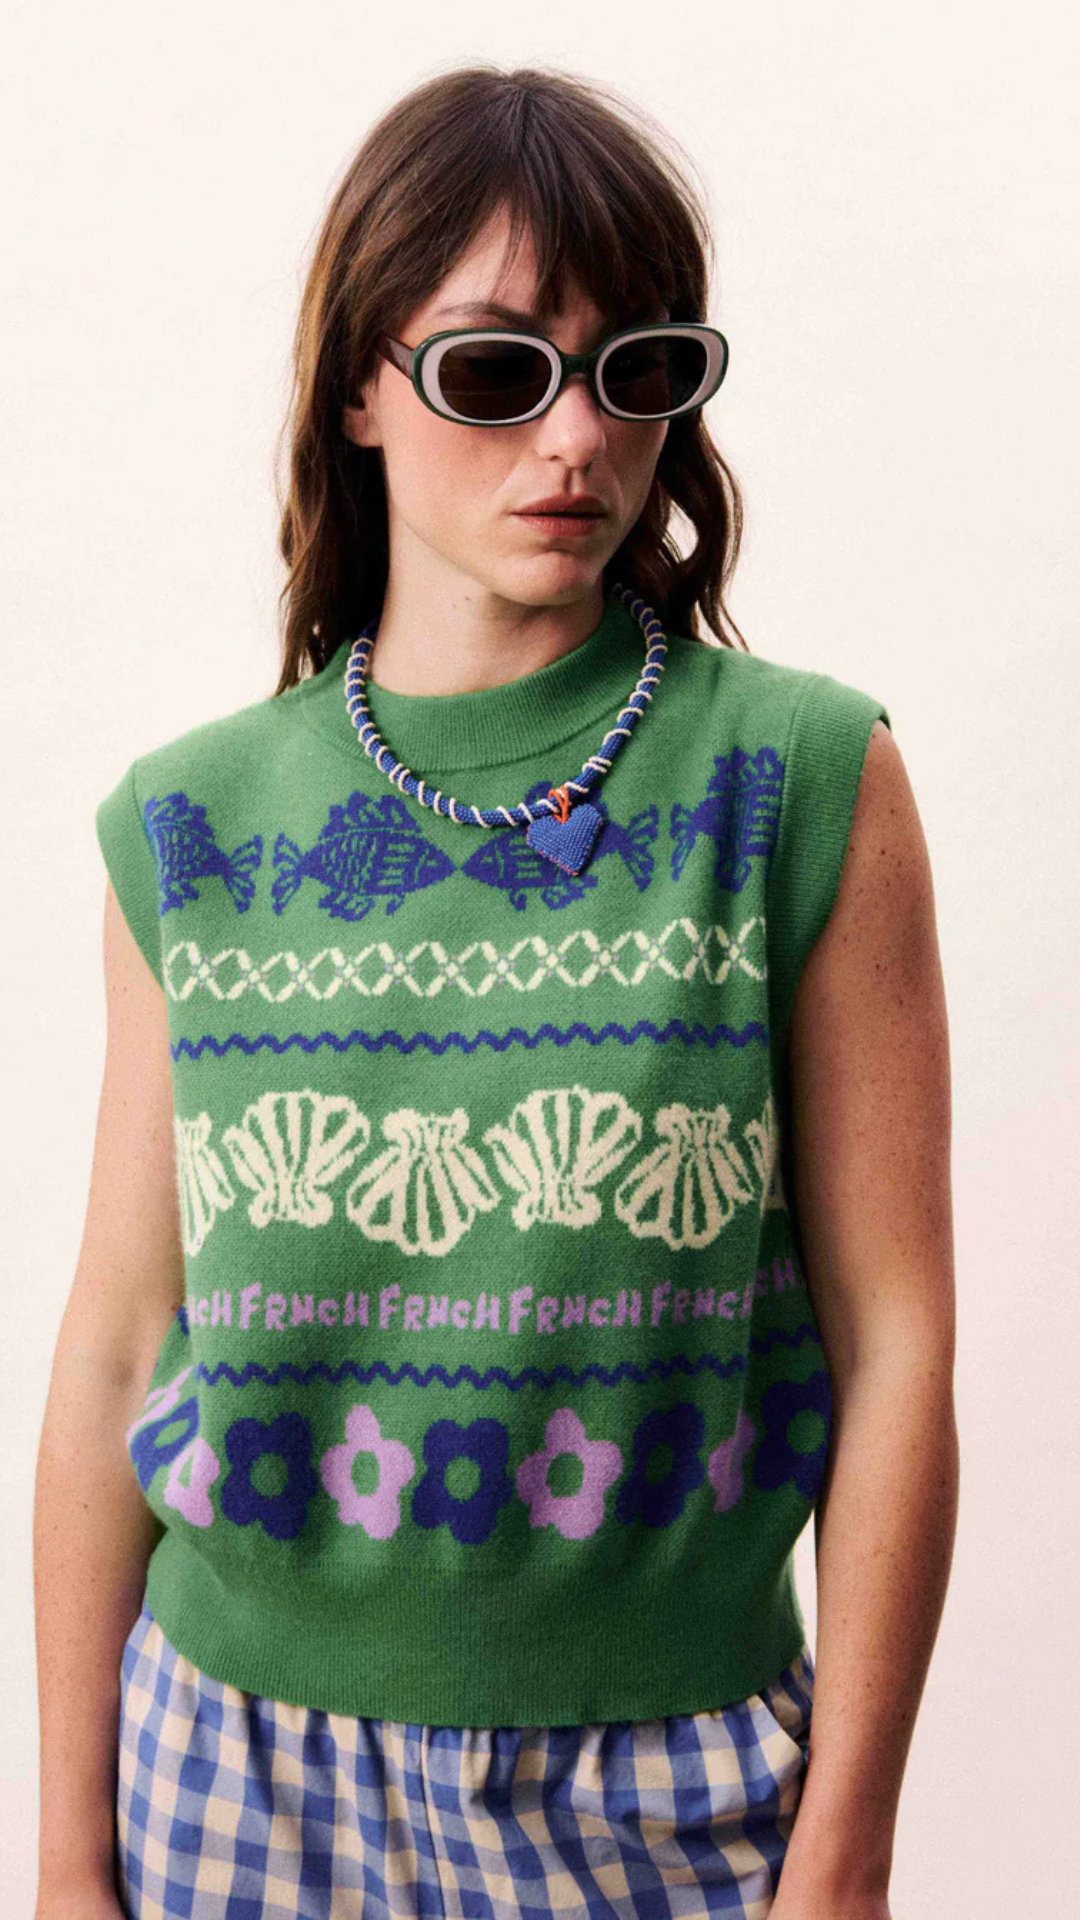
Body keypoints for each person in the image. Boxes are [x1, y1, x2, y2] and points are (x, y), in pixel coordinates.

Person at [34, 63, 957, 1920]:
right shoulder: (190, 826)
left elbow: (898, 1345)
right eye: (495, 371)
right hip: (226, 1778)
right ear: (359, 389)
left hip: (673, 1789)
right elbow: (124, 1350)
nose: (576, 440)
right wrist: (65, 1854)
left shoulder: (796, 782)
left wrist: (847, 1853)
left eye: (636, 372)